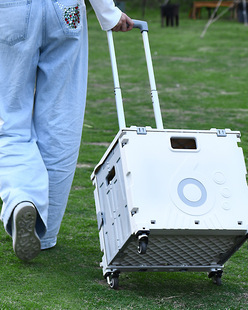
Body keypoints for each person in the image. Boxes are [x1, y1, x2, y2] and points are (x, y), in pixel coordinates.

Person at [0, 0, 133, 261]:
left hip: (11, 9)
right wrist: (108, 13)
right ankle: (45, 232)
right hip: (66, 9)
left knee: (9, 120)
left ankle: (22, 198)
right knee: (61, 119)